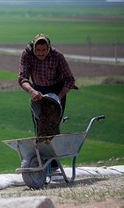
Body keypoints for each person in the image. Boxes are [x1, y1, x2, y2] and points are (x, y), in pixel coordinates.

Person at [18, 33, 78, 170]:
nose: (41, 53)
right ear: (33, 49)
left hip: (56, 90)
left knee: (53, 127)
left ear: (49, 48)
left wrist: (59, 96)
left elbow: (69, 79)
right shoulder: (26, 55)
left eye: (44, 50)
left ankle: (54, 163)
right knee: (39, 127)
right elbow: (22, 78)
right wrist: (32, 91)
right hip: (38, 90)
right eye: (38, 50)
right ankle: (42, 161)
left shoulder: (57, 56)